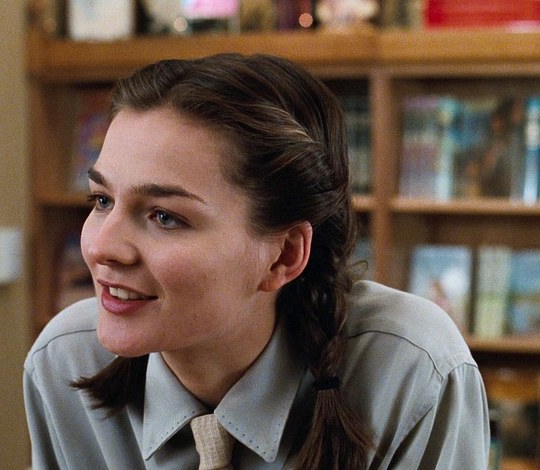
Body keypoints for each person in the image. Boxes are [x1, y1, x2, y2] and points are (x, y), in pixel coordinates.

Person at [24, 53, 489, 469]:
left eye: (165, 217)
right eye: (102, 200)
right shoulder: (64, 361)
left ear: (283, 255)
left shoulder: (413, 372)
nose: (101, 247)